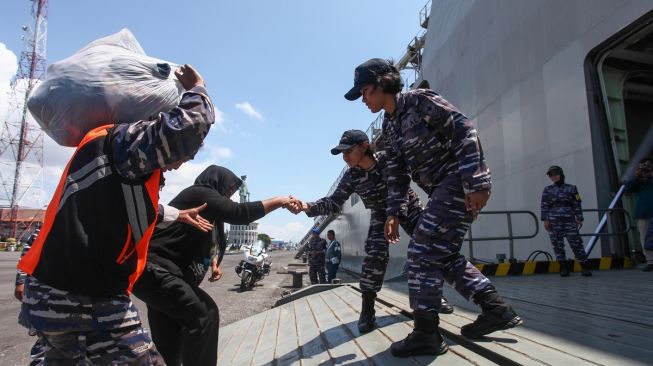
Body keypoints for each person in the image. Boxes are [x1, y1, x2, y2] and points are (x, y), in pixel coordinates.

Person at [17, 64, 215, 364]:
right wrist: (199, 89)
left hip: (55, 291)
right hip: (83, 295)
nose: (179, 163)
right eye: (186, 157)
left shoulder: (106, 154)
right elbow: (184, 130)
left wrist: (177, 215)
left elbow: (116, 211)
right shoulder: (122, 140)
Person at [345, 58, 522, 357]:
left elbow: (464, 131)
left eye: (365, 91)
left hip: (457, 181)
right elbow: (398, 175)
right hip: (442, 189)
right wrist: (391, 213)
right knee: (443, 254)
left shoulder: (419, 101)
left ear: (382, 83)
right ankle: (496, 309)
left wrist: (476, 181)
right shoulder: (389, 126)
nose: (363, 99)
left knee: (422, 250)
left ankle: (426, 333)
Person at [289, 129, 454, 334]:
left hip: (407, 206)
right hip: (380, 213)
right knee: (374, 257)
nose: (344, 157)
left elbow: (411, 178)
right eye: (342, 153)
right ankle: (367, 312)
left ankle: (435, 296)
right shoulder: (352, 176)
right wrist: (306, 206)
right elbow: (334, 202)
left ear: (364, 147)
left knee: (428, 247)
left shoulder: (388, 160)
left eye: (348, 151)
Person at [132, 165, 298, 366]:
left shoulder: (212, 211)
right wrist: (280, 201)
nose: (229, 196)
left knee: (170, 340)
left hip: (157, 276)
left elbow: (214, 241)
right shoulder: (200, 194)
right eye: (228, 190)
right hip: (156, 270)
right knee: (205, 315)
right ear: (216, 182)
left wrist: (213, 263)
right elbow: (240, 213)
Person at [541, 166, 592, 277]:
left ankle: (584, 266)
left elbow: (577, 203)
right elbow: (544, 205)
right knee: (557, 244)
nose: (554, 177)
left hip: (569, 219)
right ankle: (563, 268)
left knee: (576, 243)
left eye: (556, 174)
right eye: (551, 175)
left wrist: (579, 218)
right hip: (553, 220)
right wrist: (545, 219)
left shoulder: (572, 188)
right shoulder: (547, 189)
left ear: (561, 174)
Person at [625, 158, 653, 271]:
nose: (644, 169)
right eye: (641, 167)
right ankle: (651, 261)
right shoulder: (639, 180)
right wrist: (638, 176)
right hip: (643, 213)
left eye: (646, 166)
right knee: (645, 238)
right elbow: (628, 189)